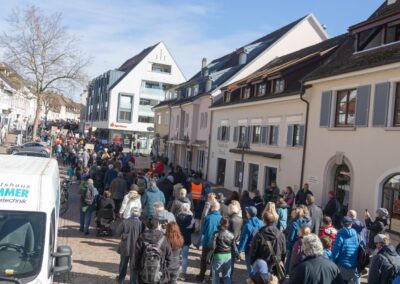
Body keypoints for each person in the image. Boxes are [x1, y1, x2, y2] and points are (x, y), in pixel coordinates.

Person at [135, 216, 172, 284]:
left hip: (144, 273)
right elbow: (169, 257)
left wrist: (138, 269)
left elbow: (136, 256)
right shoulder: (164, 239)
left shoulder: (141, 237)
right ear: (158, 225)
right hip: (160, 274)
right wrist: (164, 269)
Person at [115, 207, 145, 284]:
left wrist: (124, 235)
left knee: (123, 265)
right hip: (136, 248)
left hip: (125, 247)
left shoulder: (125, 222)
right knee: (134, 266)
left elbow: (117, 233)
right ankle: (133, 282)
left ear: (131, 213)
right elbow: (143, 236)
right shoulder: (141, 224)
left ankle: (121, 280)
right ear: (139, 214)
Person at [197, 201, 222, 282]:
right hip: (217, 243)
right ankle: (211, 277)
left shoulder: (208, 217)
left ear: (212, 208)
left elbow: (203, 231)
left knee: (204, 260)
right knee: (214, 261)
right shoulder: (221, 218)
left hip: (207, 241)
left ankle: (201, 276)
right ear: (218, 208)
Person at [210, 217, 240, 284]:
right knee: (227, 276)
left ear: (220, 223)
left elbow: (212, 247)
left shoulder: (216, 234)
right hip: (228, 256)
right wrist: (237, 256)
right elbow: (234, 247)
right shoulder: (231, 235)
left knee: (215, 275)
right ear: (228, 224)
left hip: (218, 256)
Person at [331, 216, 360, 284]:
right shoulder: (356, 234)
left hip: (342, 264)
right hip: (353, 264)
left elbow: (336, 250)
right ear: (351, 224)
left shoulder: (340, 234)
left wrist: (333, 262)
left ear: (342, 224)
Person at [238, 206, 264, 276]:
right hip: (259, 248)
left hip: (250, 249)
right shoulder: (261, 222)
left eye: (247, 212)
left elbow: (244, 239)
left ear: (248, 214)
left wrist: (239, 251)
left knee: (251, 270)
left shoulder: (247, 225)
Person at [286, 206, 311, 270]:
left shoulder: (294, 223)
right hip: (302, 242)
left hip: (293, 244)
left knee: (289, 259)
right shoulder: (305, 222)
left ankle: (287, 271)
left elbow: (291, 237)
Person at [176, 203, 195, 281]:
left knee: (177, 256)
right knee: (184, 257)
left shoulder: (178, 217)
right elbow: (193, 230)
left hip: (178, 238)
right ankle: (183, 273)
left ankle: (176, 271)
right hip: (186, 239)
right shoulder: (191, 218)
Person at [227, 200, 243, 278]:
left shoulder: (229, 220)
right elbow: (240, 231)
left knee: (227, 262)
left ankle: (226, 278)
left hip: (229, 242)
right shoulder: (240, 219)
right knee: (232, 262)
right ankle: (230, 277)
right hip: (236, 241)